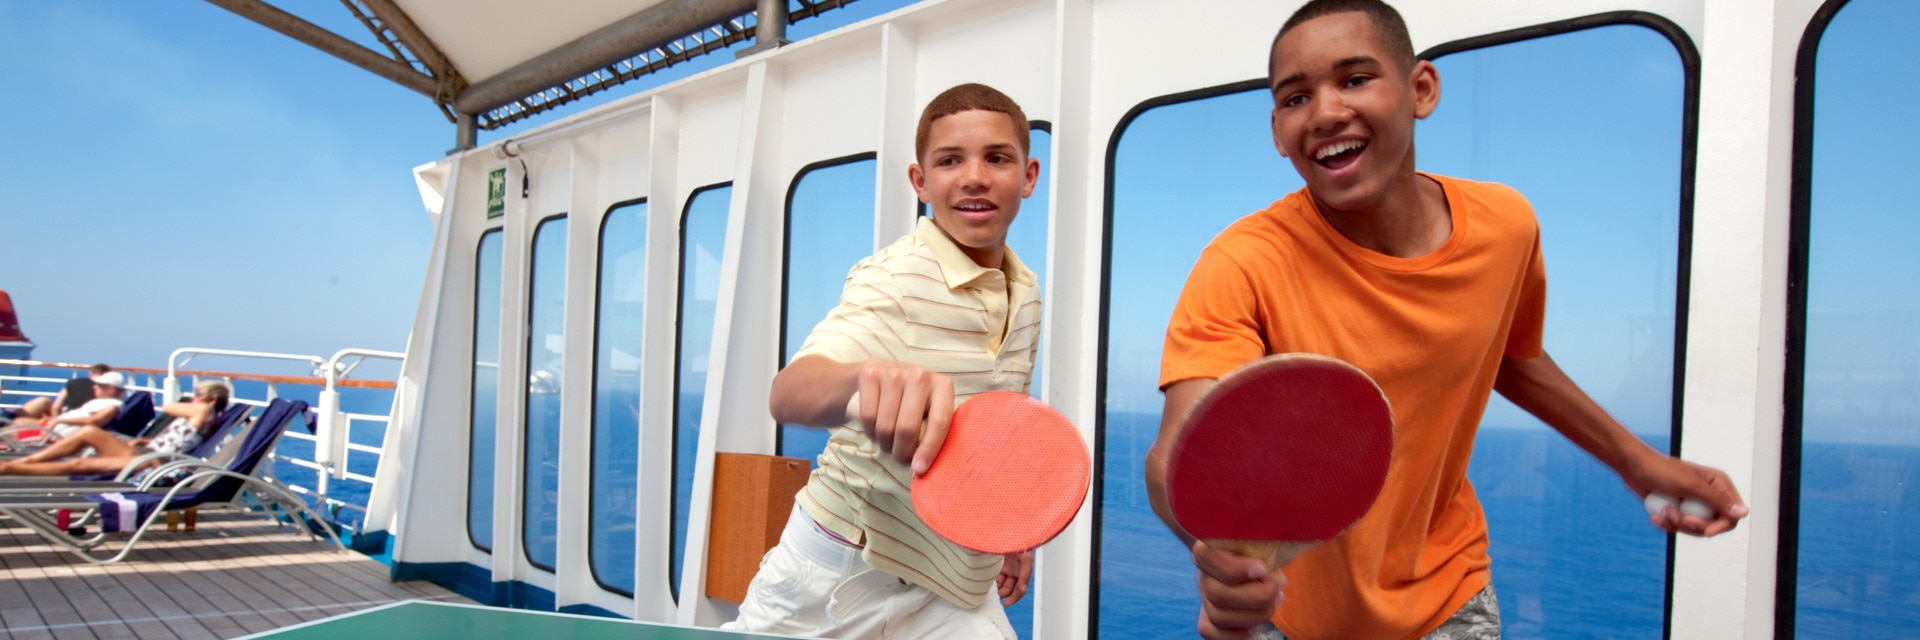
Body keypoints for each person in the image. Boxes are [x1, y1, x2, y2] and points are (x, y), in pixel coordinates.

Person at [1141, 2, 1752, 639]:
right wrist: (1220, 563)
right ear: (1276, 131)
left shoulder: (1505, 227)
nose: (1325, 113)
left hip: (1448, 597)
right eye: (1296, 98)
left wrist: (1637, 462)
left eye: (1355, 79)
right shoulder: (1242, 262)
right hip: (1287, 615)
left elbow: (1510, 355)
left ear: (1421, 90)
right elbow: (1178, 455)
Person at [725, 82, 1043, 639]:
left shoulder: (1027, 292)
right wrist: (864, 376)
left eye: (997, 158)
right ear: (921, 183)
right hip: (837, 572)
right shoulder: (892, 280)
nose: (974, 175)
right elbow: (789, 392)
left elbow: (996, 425)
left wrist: (1007, 530)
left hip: (954, 577)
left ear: (1028, 176)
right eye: (950, 161)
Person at [0, 380, 231, 477]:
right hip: (148, 454)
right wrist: (142, 442)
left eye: (198, 394)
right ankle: (23, 464)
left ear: (211, 400)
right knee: (88, 434)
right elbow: (179, 440)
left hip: (153, 463)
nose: (193, 397)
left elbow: (169, 406)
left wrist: (192, 403)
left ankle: (10, 468)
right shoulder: (204, 415)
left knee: (79, 463)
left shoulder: (203, 412)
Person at [4, 363, 110, 425]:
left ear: (90, 374)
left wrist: (57, 418)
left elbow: (56, 407)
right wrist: (57, 421)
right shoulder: (111, 402)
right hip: (6, 422)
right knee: (33, 420)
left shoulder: (74, 383)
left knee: (44, 402)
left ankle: (48, 423)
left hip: (5, 416)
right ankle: (46, 425)